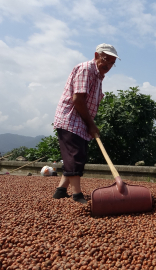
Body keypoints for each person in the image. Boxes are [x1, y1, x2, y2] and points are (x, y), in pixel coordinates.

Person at [52, 43, 120, 204]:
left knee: (77, 156)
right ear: (96, 56)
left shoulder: (98, 76)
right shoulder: (86, 69)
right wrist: (91, 125)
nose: (108, 65)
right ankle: (77, 195)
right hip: (71, 118)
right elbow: (78, 99)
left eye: (112, 63)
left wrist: (89, 123)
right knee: (75, 156)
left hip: (80, 120)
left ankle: (60, 191)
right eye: (106, 60)